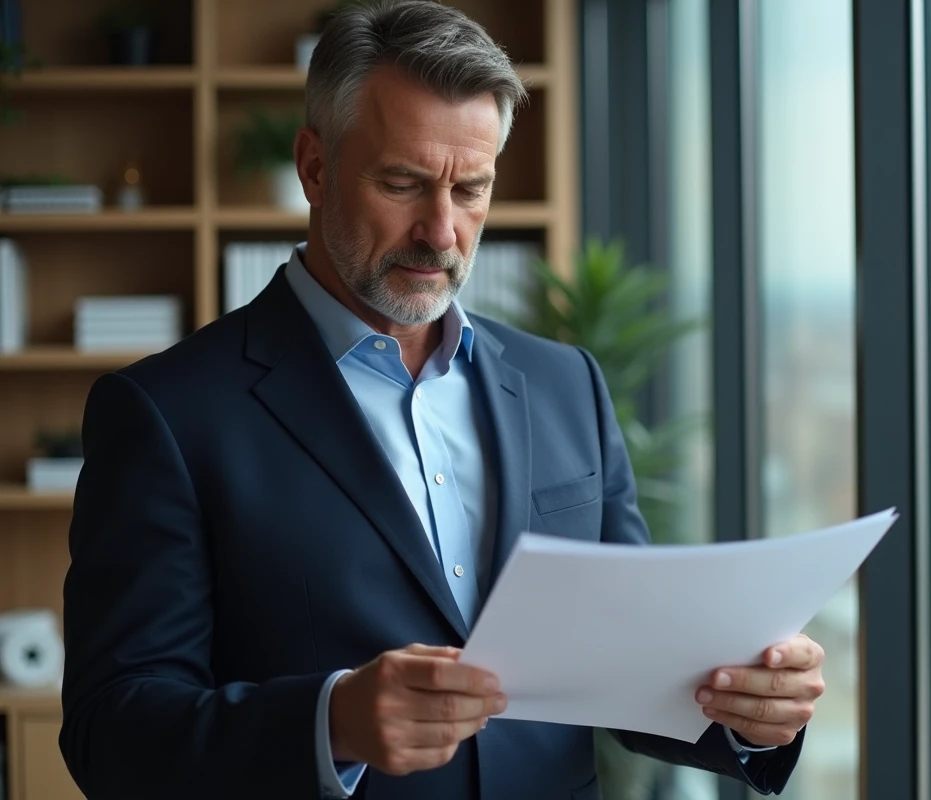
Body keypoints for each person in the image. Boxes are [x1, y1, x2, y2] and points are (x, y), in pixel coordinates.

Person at [58, 1, 825, 797]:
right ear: (314, 168)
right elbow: (112, 731)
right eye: (404, 183)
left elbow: (624, 666)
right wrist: (331, 723)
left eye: (472, 189)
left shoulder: (568, 385)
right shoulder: (166, 414)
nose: (442, 231)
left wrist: (746, 708)